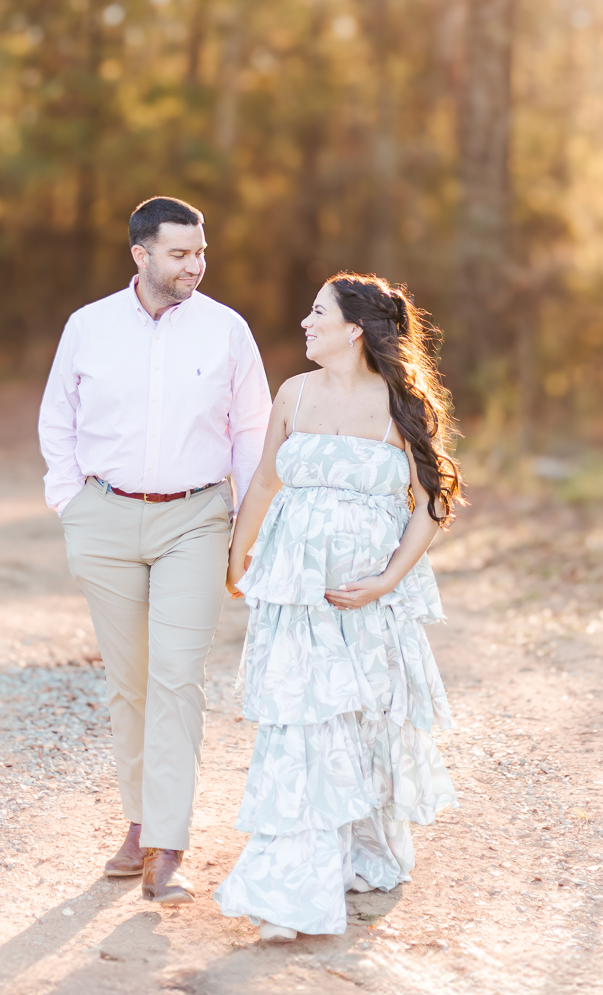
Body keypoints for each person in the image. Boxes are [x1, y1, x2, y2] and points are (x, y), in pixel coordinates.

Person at [38, 196, 272, 905]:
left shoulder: (227, 330)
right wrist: (69, 503)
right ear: (140, 255)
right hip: (103, 520)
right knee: (131, 682)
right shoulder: (88, 326)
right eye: (179, 254)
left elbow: (253, 434)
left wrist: (247, 531)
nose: (194, 266)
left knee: (177, 677)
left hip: (195, 521)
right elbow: (58, 417)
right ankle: (138, 824)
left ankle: (167, 845)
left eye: (200, 253)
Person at [215, 272, 462, 941]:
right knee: (301, 728)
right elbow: (266, 479)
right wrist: (240, 555)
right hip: (297, 594)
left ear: (355, 328)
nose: (305, 321)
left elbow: (433, 504)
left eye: (318, 312)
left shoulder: (400, 403)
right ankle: (290, 890)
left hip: (367, 603)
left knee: (364, 724)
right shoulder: (293, 392)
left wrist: (386, 581)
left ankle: (360, 849)